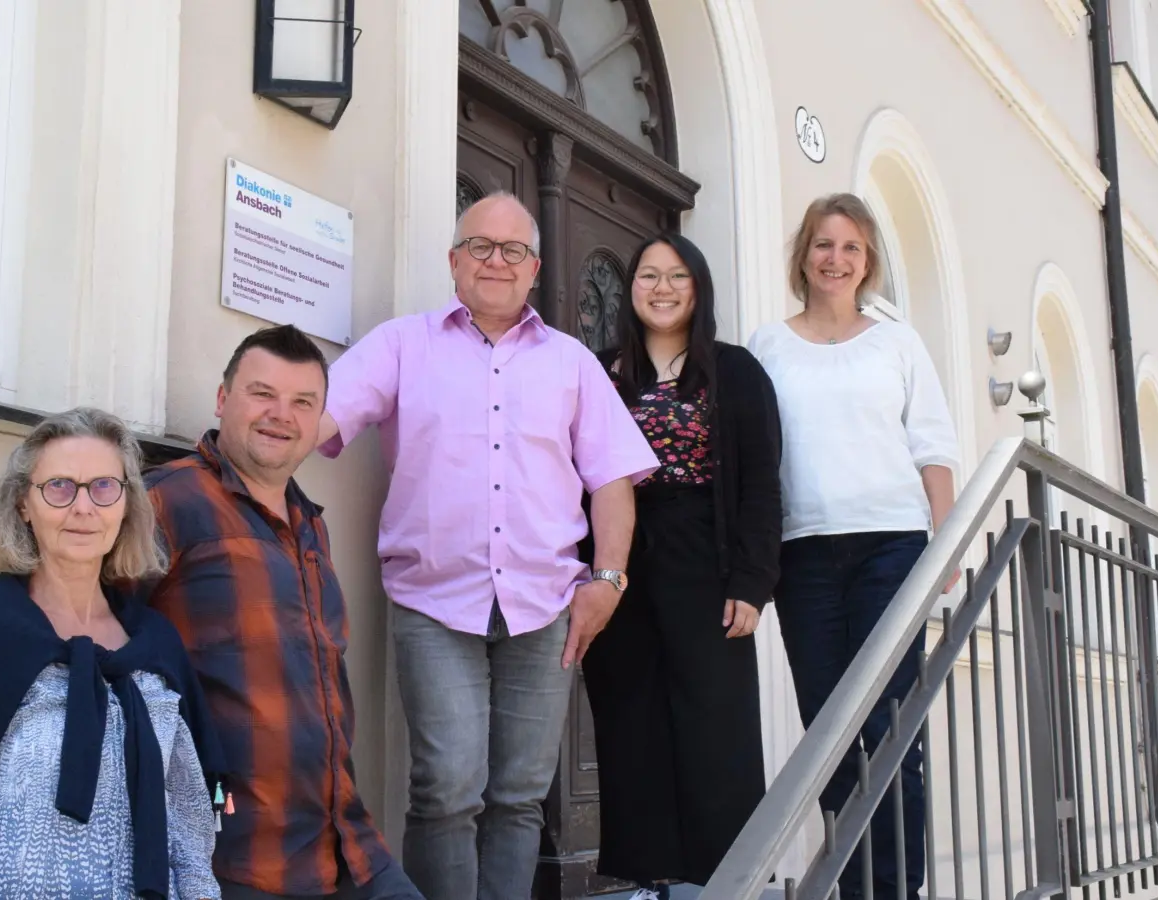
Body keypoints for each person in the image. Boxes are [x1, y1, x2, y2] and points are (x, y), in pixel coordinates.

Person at [317, 191, 659, 900]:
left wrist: (610, 580)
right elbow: (320, 417)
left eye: (512, 251)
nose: (495, 262)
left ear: (534, 268)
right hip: (433, 600)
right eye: (479, 246)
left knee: (520, 796)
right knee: (445, 789)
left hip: (545, 606)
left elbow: (614, 481)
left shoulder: (571, 364)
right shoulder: (402, 343)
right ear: (453, 260)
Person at [0, 407, 227, 900]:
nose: (83, 507)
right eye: (59, 486)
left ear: (125, 506)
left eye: (104, 487)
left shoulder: (156, 645)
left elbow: (185, 822)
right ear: (23, 505)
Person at [142, 324, 421, 900]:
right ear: (223, 400)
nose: (281, 415)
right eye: (262, 394)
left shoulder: (309, 523)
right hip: (236, 856)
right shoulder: (165, 501)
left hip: (346, 846)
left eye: (303, 403)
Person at [747, 193, 960, 900]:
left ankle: (897, 889)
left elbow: (931, 446)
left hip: (890, 551)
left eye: (851, 248)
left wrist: (946, 540)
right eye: (823, 245)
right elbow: (753, 457)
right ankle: (856, 883)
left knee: (893, 730)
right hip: (802, 557)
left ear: (867, 262)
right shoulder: (767, 347)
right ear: (802, 255)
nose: (835, 260)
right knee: (829, 736)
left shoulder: (896, 342)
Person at [581, 232, 782, 899]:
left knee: (715, 722)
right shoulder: (600, 371)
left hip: (708, 558)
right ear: (630, 288)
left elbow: (760, 483)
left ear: (698, 288)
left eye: (676, 276)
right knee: (630, 716)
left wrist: (753, 583)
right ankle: (649, 878)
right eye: (646, 275)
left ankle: (722, 881)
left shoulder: (736, 370)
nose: (660, 288)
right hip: (621, 558)